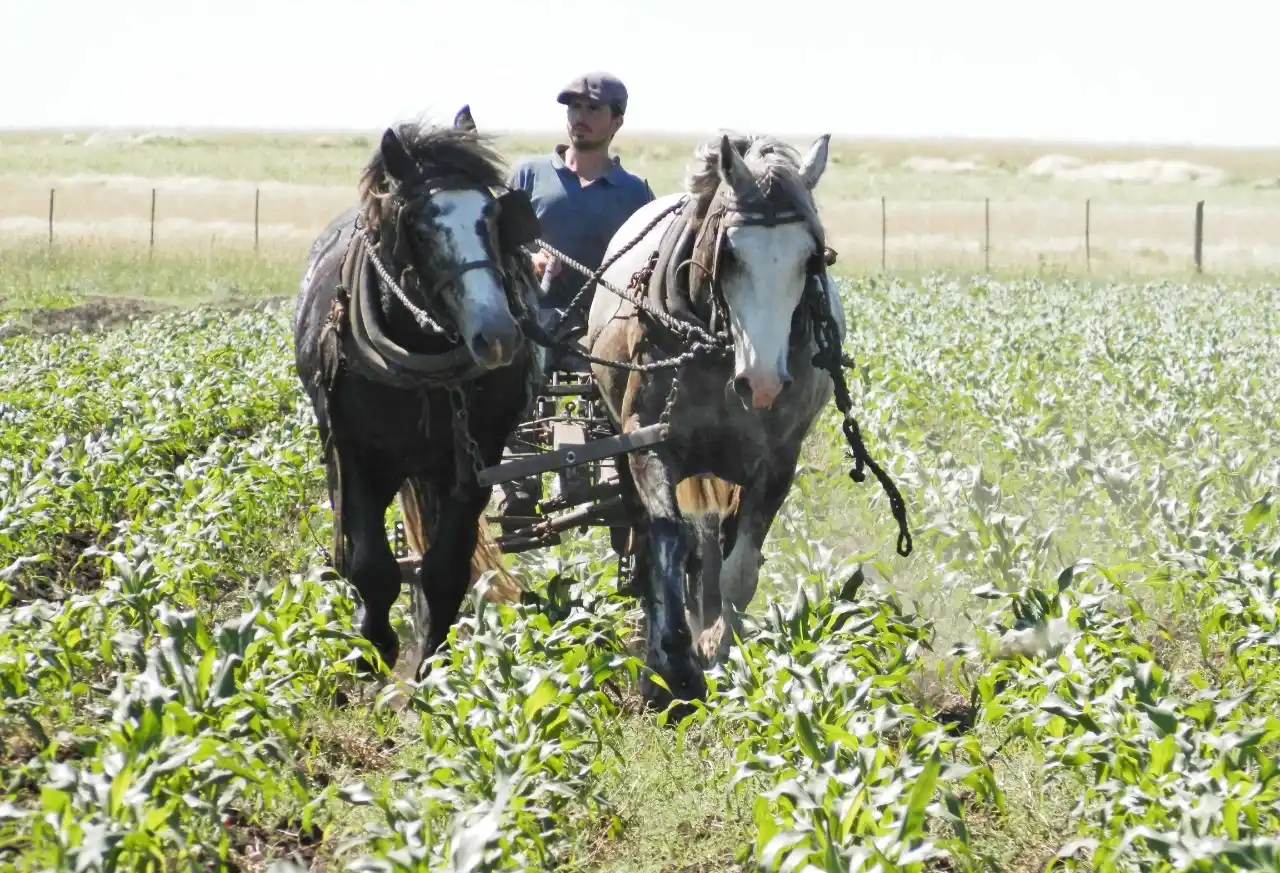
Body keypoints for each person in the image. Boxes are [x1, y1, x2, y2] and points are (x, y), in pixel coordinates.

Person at [498, 71, 657, 529]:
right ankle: (519, 484)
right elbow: (495, 242)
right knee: (510, 374)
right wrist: (529, 263)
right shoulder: (529, 176)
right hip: (533, 317)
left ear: (616, 122)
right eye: (574, 109)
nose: (580, 119)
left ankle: (613, 463)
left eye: (593, 110)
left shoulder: (634, 192)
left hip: (604, 324)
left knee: (627, 373)